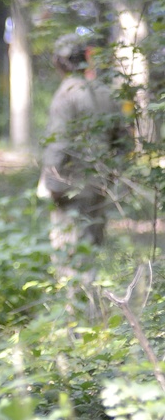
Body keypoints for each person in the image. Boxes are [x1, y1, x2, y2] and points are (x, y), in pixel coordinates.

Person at [37, 31, 128, 265]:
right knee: (91, 251)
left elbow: (59, 143)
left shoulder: (66, 95)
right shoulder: (106, 92)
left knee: (69, 256)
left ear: (59, 61)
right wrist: (111, 175)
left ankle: (76, 300)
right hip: (99, 187)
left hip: (71, 190)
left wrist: (52, 186)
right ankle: (90, 298)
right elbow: (124, 142)